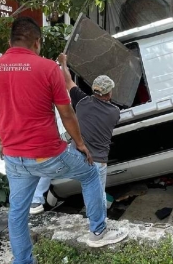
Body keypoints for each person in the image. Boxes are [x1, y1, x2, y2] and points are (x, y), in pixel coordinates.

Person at [0, 17, 127, 264]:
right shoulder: (46, 68)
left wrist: (2, 141)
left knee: (17, 212)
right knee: (91, 174)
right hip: (49, 153)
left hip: (15, 157)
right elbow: (67, 112)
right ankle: (98, 232)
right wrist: (80, 144)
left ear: (9, 41)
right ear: (36, 42)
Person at [30, 56, 120, 216]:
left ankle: (36, 201)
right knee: (96, 196)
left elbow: (67, 80)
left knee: (47, 167)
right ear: (108, 94)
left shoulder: (81, 101)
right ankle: (97, 224)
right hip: (98, 162)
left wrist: (63, 63)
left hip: (76, 156)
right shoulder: (115, 112)